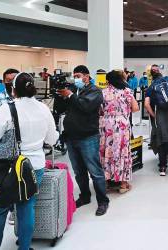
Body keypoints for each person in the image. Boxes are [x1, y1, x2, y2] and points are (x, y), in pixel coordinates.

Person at [0, 72, 59, 250]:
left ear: (13, 90)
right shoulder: (44, 108)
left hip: (9, 167)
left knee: (0, 208)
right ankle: (24, 247)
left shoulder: (7, 108)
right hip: (34, 166)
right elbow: (52, 139)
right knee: (26, 207)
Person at [58, 65, 110, 215]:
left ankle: (102, 201)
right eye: (74, 76)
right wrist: (61, 96)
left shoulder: (95, 91)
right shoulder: (74, 90)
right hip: (71, 137)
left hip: (88, 137)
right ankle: (85, 196)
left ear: (87, 76)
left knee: (95, 171)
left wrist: (70, 95)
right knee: (79, 171)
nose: (77, 78)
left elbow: (85, 106)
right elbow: (61, 109)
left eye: (79, 75)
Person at [100, 70, 139, 194]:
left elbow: (99, 110)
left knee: (107, 151)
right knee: (122, 151)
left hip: (106, 125)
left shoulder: (103, 92)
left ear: (108, 80)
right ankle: (123, 184)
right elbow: (136, 108)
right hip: (122, 126)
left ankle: (106, 183)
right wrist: (123, 112)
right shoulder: (127, 92)